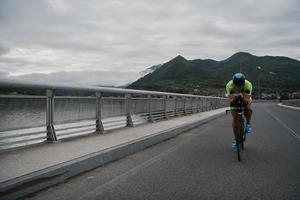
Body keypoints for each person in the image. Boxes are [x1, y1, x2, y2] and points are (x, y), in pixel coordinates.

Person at [226, 73, 253, 149]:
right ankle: (236, 139)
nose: (238, 86)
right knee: (235, 118)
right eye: (236, 85)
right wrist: (235, 98)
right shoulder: (229, 85)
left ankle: (248, 124)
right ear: (233, 83)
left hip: (245, 98)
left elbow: (246, 101)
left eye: (240, 85)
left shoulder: (248, 85)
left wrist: (242, 97)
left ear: (243, 83)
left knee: (247, 107)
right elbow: (231, 103)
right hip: (234, 100)